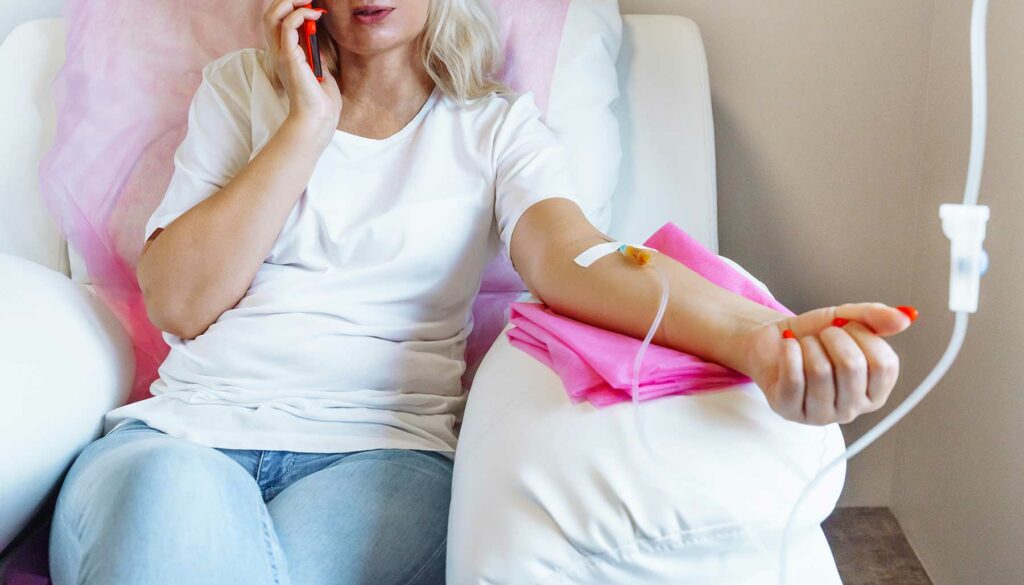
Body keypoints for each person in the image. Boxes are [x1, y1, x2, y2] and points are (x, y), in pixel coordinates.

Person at [49, 1, 913, 584]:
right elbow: (179, 301)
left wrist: (757, 335)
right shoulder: (241, 92)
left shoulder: (497, 128)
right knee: (169, 506)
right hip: (185, 434)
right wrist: (307, 125)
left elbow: (578, 257)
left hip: (383, 457)